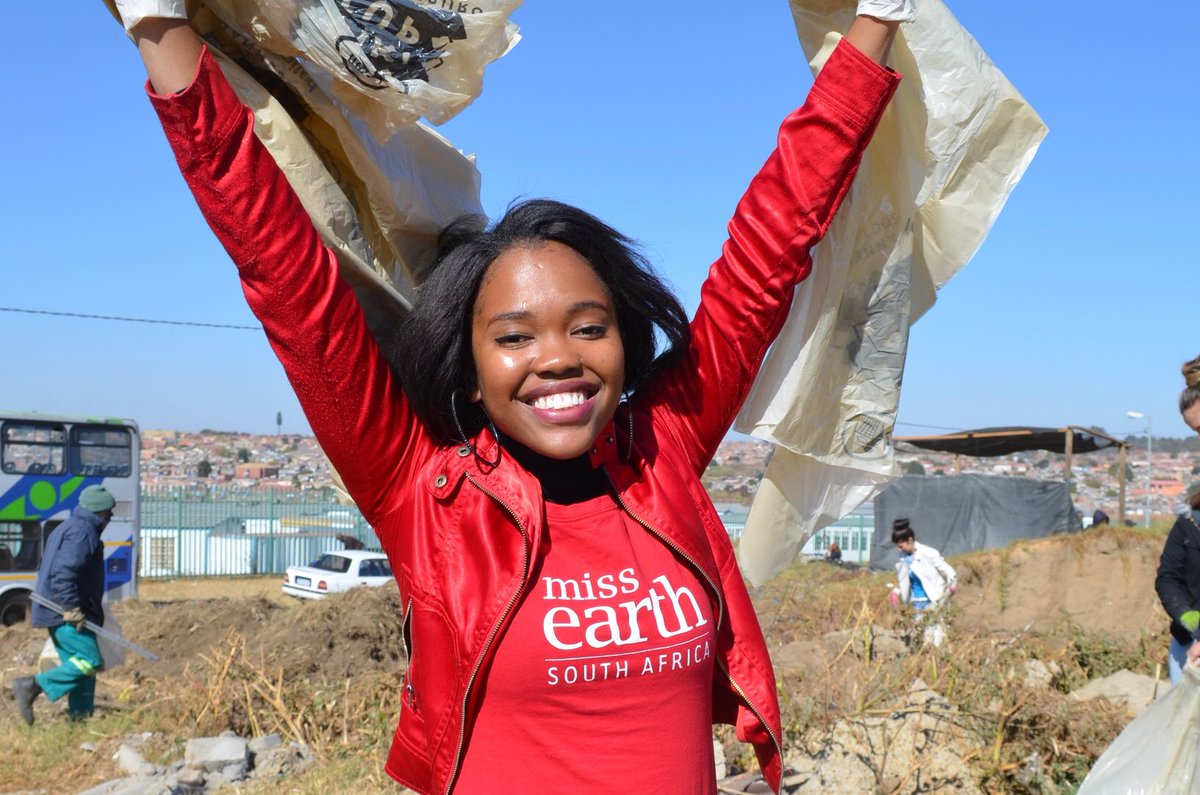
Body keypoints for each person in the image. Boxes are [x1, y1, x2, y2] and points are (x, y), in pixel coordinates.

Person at [111, 0, 905, 791]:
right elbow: (286, 275)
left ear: (626, 345)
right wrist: (159, 30)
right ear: (470, 368)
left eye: (587, 328)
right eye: (516, 336)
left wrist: (875, 20)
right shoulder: (425, 495)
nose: (557, 359)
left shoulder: (663, 456)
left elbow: (768, 251)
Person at [11, 485, 115, 724]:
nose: (110, 517)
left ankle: (78, 721)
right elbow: (63, 573)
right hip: (65, 612)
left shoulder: (68, 527)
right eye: (109, 513)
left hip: (61, 609)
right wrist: (71, 607)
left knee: (79, 668)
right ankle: (32, 686)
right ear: (101, 512)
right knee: (90, 661)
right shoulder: (83, 532)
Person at [1155, 484, 1200, 685]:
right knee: (1182, 713)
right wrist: (1182, 611)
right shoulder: (1186, 526)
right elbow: (1167, 577)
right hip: (1187, 639)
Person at [889, 518, 957, 646]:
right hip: (918, 601)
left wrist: (952, 584)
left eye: (901, 546)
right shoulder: (902, 558)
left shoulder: (928, 553)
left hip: (934, 599)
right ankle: (925, 658)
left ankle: (937, 659)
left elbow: (948, 570)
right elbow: (905, 580)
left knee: (936, 632)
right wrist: (896, 592)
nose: (899, 550)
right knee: (921, 633)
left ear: (909, 540)